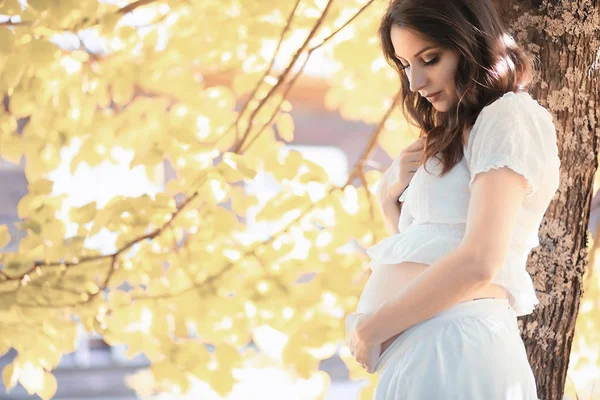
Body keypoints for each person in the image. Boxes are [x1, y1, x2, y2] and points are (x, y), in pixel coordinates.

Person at [344, 0, 561, 399]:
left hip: (461, 345)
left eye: (429, 58)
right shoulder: (454, 133)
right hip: (426, 350)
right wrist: (387, 200)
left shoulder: (507, 117)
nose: (415, 83)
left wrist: (370, 327)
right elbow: (430, 254)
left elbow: (479, 262)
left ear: (470, 43)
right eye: (406, 65)